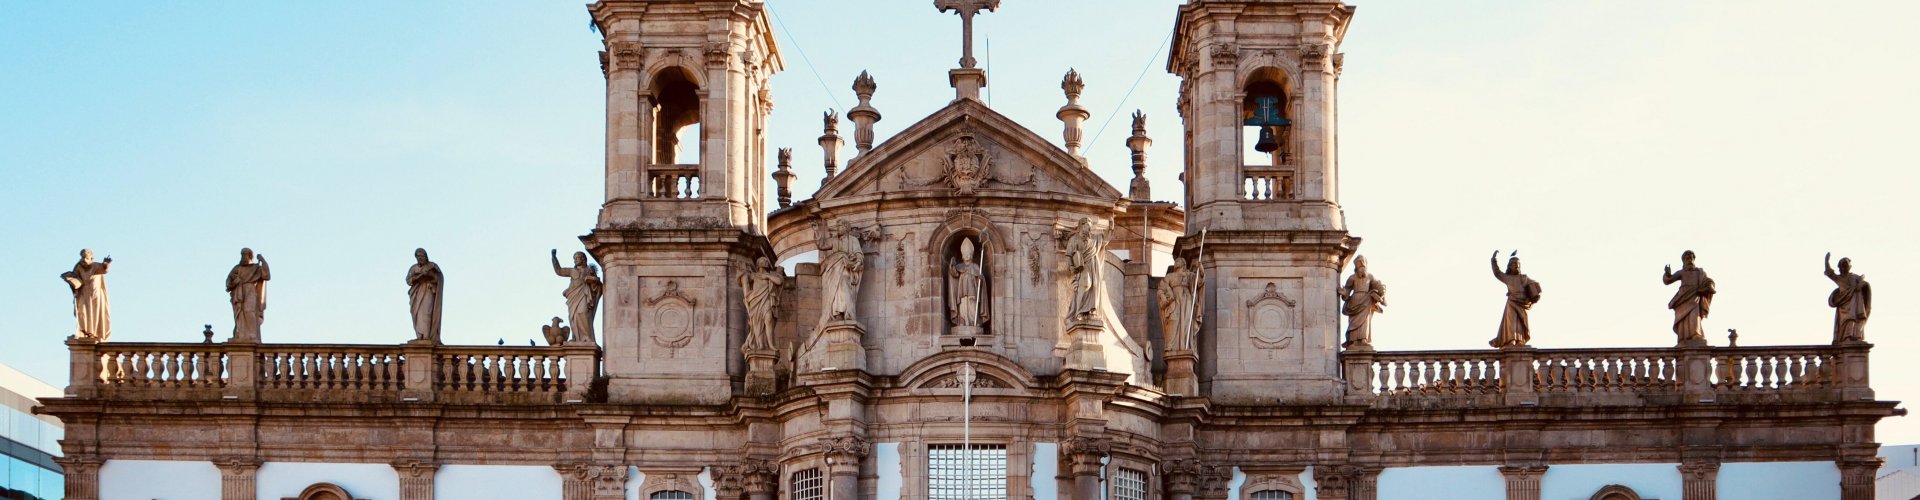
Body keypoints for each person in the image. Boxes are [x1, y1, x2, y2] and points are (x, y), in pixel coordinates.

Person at [1662, 250, 1716, 346]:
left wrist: (1710, 286)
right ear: (1683, 261)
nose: (1689, 260)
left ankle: (1696, 334)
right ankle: (1683, 337)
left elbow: (1708, 281)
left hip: (1695, 296)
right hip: (1682, 297)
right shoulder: (1682, 272)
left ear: (1694, 259)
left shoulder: (1699, 272)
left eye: (1691, 258)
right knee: (1682, 318)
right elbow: (1669, 280)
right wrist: (1667, 274)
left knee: (1694, 316)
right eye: (1687, 258)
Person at [1488, 251, 1541, 348]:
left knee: (1521, 322)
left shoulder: (1524, 278)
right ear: (1510, 266)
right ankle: (1511, 339)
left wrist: (1536, 293)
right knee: (1512, 322)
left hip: (1523, 303)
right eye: (1514, 264)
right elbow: (1497, 273)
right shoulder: (1508, 278)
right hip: (1512, 302)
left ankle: (1520, 340)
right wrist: (1494, 260)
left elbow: (1534, 285)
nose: (1516, 266)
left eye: (1518, 264)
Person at [552, 249, 604, 343]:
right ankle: (576, 337)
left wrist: (590, 279)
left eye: (577, 258)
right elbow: (559, 271)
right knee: (573, 317)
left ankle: (587, 337)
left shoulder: (589, 270)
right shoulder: (572, 271)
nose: (575, 260)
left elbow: (597, 282)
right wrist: (554, 257)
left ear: (583, 259)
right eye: (574, 258)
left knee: (583, 313)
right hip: (573, 296)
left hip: (584, 294)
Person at [61, 248, 113, 341]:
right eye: (83, 256)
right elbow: (75, 276)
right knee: (82, 312)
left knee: (95, 312)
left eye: (86, 256)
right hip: (83, 293)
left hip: (95, 294)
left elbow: (104, 270)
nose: (84, 259)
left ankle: (94, 333)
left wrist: (106, 264)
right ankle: (84, 332)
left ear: (91, 257)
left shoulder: (95, 265)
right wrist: (69, 278)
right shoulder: (79, 266)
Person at [1340, 255, 1386, 349]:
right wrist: (1344, 293)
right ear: (1356, 266)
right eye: (1358, 264)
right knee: (1353, 322)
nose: (1360, 266)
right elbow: (1347, 291)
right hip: (1354, 301)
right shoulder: (1352, 278)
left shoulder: (1370, 276)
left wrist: (1382, 291)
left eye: (1362, 264)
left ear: (1365, 265)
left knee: (1365, 321)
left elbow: (1378, 286)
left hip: (1366, 301)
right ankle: (1352, 341)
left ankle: (1363, 340)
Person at [1824, 253, 1871, 343]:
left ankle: (1856, 336)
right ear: (1840, 267)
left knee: (1855, 318)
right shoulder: (1839, 278)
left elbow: (1865, 284)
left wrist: (1861, 284)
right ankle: (1847, 338)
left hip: (1855, 303)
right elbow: (1830, 273)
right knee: (1848, 319)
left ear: (1850, 266)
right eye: (1842, 266)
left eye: (1846, 265)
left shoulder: (1855, 277)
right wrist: (1826, 262)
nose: (1844, 267)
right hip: (1844, 305)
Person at [227, 248, 271, 342]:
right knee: (240, 313)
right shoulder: (237, 268)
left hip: (250, 290)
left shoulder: (255, 268)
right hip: (238, 291)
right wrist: (234, 282)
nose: (243, 257)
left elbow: (266, 275)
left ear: (250, 256)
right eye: (242, 255)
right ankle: (239, 334)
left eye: (245, 255)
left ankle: (252, 335)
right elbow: (228, 280)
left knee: (249, 311)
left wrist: (263, 260)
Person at [739, 257, 783, 351]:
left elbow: (779, 281)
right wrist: (742, 270)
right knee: (757, 323)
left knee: (769, 319)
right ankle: (760, 345)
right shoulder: (754, 275)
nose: (767, 261)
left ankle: (771, 344)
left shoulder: (771, 275)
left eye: (767, 260)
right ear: (758, 263)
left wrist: (767, 277)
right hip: (755, 302)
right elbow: (743, 280)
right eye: (764, 260)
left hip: (766, 300)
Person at [1157, 258, 1201, 352]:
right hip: (1174, 301)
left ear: (1183, 264)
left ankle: (1185, 345)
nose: (1176, 262)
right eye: (1176, 261)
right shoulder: (1170, 276)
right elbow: (1161, 288)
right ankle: (1171, 346)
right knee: (1173, 321)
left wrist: (1199, 268)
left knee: (1186, 322)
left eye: (1179, 261)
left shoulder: (1189, 275)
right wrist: (1163, 296)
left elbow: (1198, 282)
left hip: (1186, 300)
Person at [406, 248, 445, 343]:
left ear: (426, 256)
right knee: (417, 313)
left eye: (422, 256)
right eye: (418, 256)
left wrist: (430, 275)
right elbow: (408, 280)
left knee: (426, 312)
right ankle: (419, 336)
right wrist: (418, 277)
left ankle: (427, 337)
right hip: (417, 293)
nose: (420, 258)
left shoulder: (432, 266)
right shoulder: (413, 268)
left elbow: (438, 278)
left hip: (428, 290)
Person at [947, 237, 985, 331]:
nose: (967, 256)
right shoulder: (959, 266)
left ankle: (974, 322)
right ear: (962, 255)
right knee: (963, 307)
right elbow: (954, 274)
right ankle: (962, 322)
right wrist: (952, 266)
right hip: (962, 291)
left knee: (972, 306)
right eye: (965, 254)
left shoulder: (976, 266)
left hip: (973, 291)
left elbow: (981, 280)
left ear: (971, 255)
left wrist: (981, 278)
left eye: (968, 254)